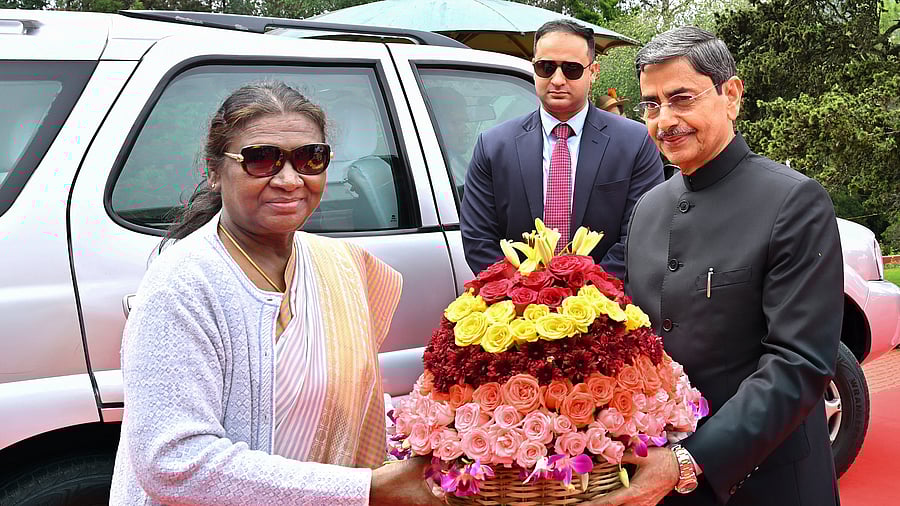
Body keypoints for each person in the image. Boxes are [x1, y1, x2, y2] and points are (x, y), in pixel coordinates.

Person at [109, 82, 442, 506]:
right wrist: (366, 490)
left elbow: (354, 407)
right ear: (213, 171)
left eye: (310, 158)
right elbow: (174, 462)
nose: (289, 180)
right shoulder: (183, 284)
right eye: (261, 159)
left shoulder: (341, 264)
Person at [601, 27, 843, 506]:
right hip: (660, 476)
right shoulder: (648, 207)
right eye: (651, 104)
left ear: (731, 94)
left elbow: (800, 363)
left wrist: (692, 461)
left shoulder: (794, 202)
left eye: (681, 98)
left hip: (768, 480)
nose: (664, 120)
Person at [460, 19, 664, 279]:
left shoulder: (634, 143)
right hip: (517, 310)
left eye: (571, 69)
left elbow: (640, 237)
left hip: (608, 308)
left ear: (594, 71)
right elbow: (478, 239)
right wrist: (526, 294)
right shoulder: (493, 146)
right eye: (546, 67)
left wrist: (586, 298)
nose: (557, 80)